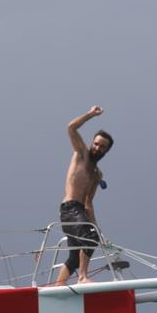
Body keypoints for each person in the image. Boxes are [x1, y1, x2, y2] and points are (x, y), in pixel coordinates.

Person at [55, 106, 114, 285]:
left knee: (75, 256)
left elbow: (88, 203)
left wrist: (97, 228)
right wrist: (90, 114)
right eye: (96, 144)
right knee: (90, 237)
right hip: (69, 208)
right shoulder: (81, 153)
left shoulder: (97, 174)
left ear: (106, 151)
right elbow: (71, 127)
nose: (97, 148)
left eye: (102, 147)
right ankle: (82, 277)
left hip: (79, 210)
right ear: (92, 143)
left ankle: (58, 286)